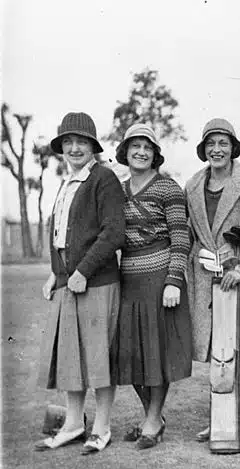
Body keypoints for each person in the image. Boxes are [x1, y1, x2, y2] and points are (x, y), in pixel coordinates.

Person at [36, 112, 126, 454]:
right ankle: (73, 424)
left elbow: (113, 232)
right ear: (61, 147)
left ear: (93, 147)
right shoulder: (65, 182)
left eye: (82, 142)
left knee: (98, 359)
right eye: (68, 142)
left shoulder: (103, 179)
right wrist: (55, 273)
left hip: (97, 284)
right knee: (71, 358)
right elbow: (63, 235)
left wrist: (83, 271)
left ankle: (101, 428)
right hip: (68, 284)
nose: (74, 148)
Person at [184, 118, 240, 441]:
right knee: (215, 350)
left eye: (223, 143)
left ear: (233, 148)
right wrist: (200, 258)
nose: (216, 150)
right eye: (211, 143)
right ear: (203, 148)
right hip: (206, 280)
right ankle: (219, 415)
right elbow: (190, 234)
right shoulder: (193, 186)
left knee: (237, 346)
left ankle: (234, 419)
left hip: (239, 282)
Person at [110, 124, 192, 449]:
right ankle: (152, 418)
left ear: (155, 153)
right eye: (135, 146)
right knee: (129, 354)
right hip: (127, 281)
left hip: (161, 280)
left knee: (158, 353)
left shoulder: (168, 188)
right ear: (126, 152)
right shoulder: (117, 189)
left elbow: (181, 237)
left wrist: (174, 281)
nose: (141, 152)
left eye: (147, 147)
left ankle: (153, 419)